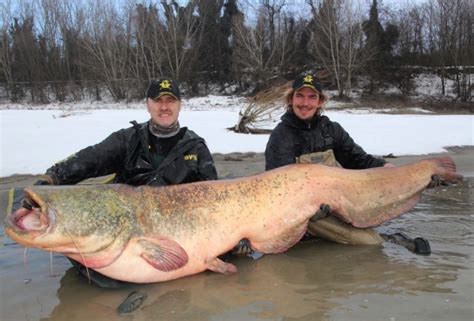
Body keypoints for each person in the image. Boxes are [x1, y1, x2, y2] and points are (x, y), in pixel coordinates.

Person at [34, 77, 218, 287]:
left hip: (174, 229)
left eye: (171, 100)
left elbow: (213, 198)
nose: (164, 107)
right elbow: (91, 158)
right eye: (158, 101)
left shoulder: (195, 147)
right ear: (148, 104)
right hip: (127, 227)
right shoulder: (128, 139)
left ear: (180, 105)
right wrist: (52, 178)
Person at [265, 74, 430, 253]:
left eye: (312, 97)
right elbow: (279, 191)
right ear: (291, 99)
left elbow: (357, 160)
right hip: (302, 212)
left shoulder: (331, 130)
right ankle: (388, 239)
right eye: (300, 96)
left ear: (320, 102)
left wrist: (386, 169)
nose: (305, 103)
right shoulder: (280, 137)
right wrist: (312, 208)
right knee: (370, 242)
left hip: (336, 202)